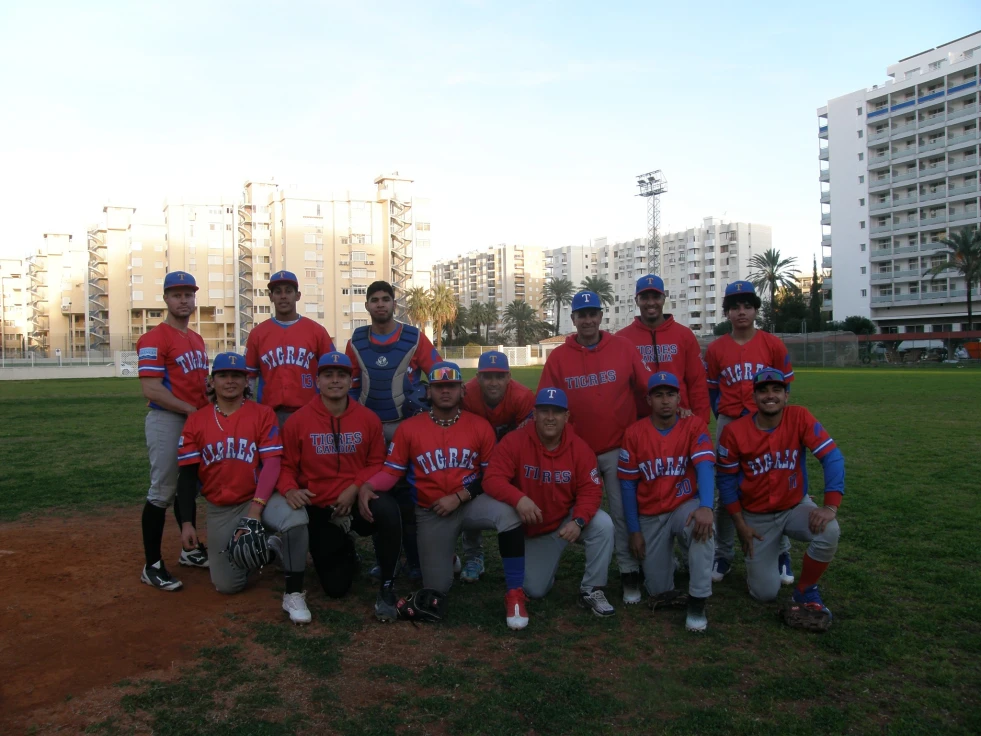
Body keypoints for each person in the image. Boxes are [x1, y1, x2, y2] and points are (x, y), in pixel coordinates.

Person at [358, 362, 529, 630]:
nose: (445, 391)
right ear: (429, 392)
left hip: (471, 503)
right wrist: (369, 485)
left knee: (509, 514)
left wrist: (460, 496)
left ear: (462, 390)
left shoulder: (479, 426)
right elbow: (392, 472)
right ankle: (446, 555)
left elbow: (490, 476)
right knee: (436, 588)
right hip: (432, 511)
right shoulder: (410, 428)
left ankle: (515, 592)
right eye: (439, 387)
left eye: (451, 386)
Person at [175, 352, 312, 624]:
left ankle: (294, 592)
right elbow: (187, 476)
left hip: (258, 497)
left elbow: (273, 464)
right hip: (220, 508)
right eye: (223, 375)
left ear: (247, 381)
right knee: (227, 585)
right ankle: (270, 548)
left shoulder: (262, 413)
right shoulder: (197, 420)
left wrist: (256, 510)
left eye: (237, 376)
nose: (230, 381)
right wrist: (187, 523)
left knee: (296, 519)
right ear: (212, 382)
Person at [537, 290, 651, 604]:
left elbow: (647, 386)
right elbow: (546, 402)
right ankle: (548, 558)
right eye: (581, 314)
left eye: (592, 313)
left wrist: (675, 404)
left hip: (616, 447)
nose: (587, 319)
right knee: (560, 507)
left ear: (601, 316)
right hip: (574, 450)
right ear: (572, 319)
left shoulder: (623, 347)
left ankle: (629, 570)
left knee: (621, 512)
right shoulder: (559, 356)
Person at [278, 351, 402, 622]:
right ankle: (344, 546)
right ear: (317, 381)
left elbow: (376, 461)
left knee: (389, 511)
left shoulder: (367, 419)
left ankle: (387, 584)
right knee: (336, 588)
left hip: (357, 500)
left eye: (342, 375)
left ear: (350, 380)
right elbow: (285, 465)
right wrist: (289, 489)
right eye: (328, 375)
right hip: (320, 507)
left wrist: (355, 488)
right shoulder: (298, 421)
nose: (335, 381)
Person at [716, 367, 843, 631]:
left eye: (777, 390)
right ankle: (772, 558)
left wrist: (830, 505)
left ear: (786, 396)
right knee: (765, 594)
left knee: (829, 529)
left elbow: (832, 457)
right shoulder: (735, 431)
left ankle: (805, 590)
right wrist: (740, 524)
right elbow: (726, 482)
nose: (770, 396)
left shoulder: (799, 417)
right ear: (754, 397)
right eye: (763, 390)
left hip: (795, 506)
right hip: (756, 517)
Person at [484, 388, 615, 617]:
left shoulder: (580, 448)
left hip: (566, 519)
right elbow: (492, 478)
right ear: (534, 414)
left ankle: (592, 589)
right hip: (535, 529)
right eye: (544, 411)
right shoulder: (515, 441)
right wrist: (519, 499)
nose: (550, 417)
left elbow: (591, 490)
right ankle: (547, 567)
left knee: (603, 525)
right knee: (534, 590)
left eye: (557, 412)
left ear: (567, 417)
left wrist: (579, 520)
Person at [345, 280, 442, 582]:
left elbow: (439, 373)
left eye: (386, 299)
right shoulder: (357, 340)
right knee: (376, 494)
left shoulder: (414, 337)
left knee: (410, 496)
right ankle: (385, 557)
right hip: (371, 429)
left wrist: (426, 394)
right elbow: (347, 383)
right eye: (374, 300)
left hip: (406, 426)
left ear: (394, 303)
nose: (380, 304)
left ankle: (414, 560)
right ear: (367, 306)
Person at [705, 280, 795, 586]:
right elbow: (713, 391)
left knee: (774, 484)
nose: (741, 312)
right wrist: (726, 418)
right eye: (734, 307)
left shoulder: (772, 344)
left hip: (767, 422)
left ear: (756, 310)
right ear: (727, 312)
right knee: (725, 489)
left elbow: (784, 387)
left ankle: (782, 552)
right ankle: (723, 553)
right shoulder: (716, 348)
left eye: (747, 306)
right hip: (730, 422)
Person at [618, 372, 716, 630]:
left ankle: (698, 600)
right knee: (657, 589)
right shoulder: (634, 433)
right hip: (650, 514)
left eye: (670, 394)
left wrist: (706, 505)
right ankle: (671, 560)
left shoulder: (693, 425)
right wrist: (634, 530)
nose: (665, 401)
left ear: (678, 398)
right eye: (658, 395)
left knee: (702, 527)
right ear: (648, 400)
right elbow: (628, 485)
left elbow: (705, 465)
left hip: (684, 505)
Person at [136, 271, 210, 592]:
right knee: (162, 491)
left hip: (193, 419)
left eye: (188, 294)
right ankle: (151, 565)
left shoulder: (195, 339)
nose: (184, 300)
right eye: (177, 294)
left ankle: (189, 550)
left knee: (188, 487)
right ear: (166, 299)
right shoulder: (155, 338)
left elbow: (200, 385)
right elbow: (152, 389)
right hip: (167, 420)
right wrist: (191, 409)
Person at [458, 350, 535, 583]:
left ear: (509, 377)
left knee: (524, 491)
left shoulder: (522, 397)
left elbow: (526, 439)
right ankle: (473, 555)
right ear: (478, 377)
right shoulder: (467, 395)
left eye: (499, 376)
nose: (493, 382)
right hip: (475, 452)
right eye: (487, 376)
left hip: (512, 454)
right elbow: (463, 434)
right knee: (467, 485)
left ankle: (529, 548)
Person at [245, 270, 335, 429]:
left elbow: (333, 373)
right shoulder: (257, 334)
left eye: (288, 291)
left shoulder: (317, 331)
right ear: (271, 296)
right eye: (278, 292)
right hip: (270, 414)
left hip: (309, 412)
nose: (283, 296)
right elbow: (248, 379)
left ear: (298, 295)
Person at [616, 274, 711, 424]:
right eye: (645, 297)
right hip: (640, 420)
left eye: (656, 297)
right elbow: (619, 387)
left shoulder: (684, 335)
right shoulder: (622, 338)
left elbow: (697, 381)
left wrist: (701, 420)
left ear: (663, 299)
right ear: (636, 301)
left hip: (680, 416)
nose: (651, 302)